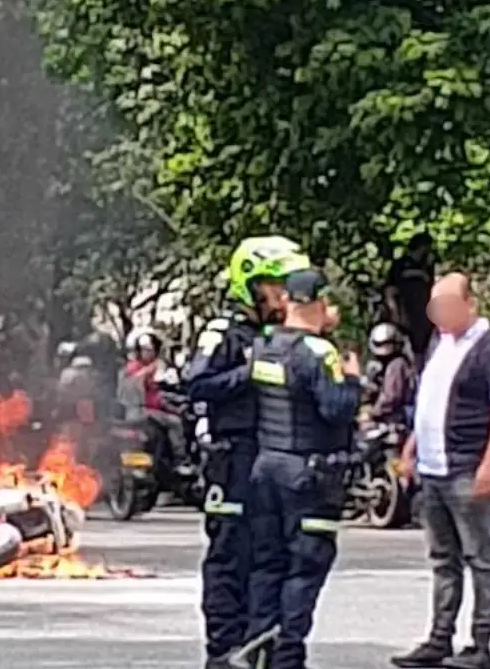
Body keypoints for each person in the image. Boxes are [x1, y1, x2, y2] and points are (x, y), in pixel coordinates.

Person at [187, 235, 309, 669]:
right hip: (234, 457)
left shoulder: (288, 337)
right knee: (228, 556)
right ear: (251, 286)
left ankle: (265, 647)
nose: (285, 295)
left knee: (275, 557)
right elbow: (197, 383)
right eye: (277, 285)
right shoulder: (225, 333)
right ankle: (222, 650)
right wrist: (250, 372)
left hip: (276, 459)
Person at [233, 269, 361, 669]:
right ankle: (288, 655)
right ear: (321, 303)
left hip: (265, 468)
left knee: (267, 563)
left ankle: (259, 645)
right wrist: (353, 380)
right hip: (308, 474)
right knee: (305, 566)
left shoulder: (264, 347)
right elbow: (336, 408)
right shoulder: (319, 352)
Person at [392, 273, 490, 669]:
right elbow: (428, 401)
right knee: (442, 557)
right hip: (433, 467)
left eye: (447, 305)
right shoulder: (439, 342)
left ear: (470, 303)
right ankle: (439, 636)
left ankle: (480, 643)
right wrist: (411, 450)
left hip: (467, 465)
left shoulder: (488, 345)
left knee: (479, 556)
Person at [124, 330, 192, 472]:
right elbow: (136, 380)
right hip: (139, 411)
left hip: (150, 410)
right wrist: (154, 367)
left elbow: (157, 396)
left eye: (151, 350)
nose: (149, 353)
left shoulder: (155, 368)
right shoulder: (134, 367)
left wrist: (176, 406)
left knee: (179, 417)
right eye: (145, 350)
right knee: (175, 423)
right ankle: (181, 461)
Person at [384, 231, 436, 359]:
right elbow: (390, 290)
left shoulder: (427, 267)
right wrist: (394, 312)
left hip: (423, 316)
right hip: (405, 312)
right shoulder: (399, 265)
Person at [366, 322, 415, 426]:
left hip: (397, 420)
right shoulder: (383, 366)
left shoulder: (396, 365)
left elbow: (390, 397)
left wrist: (372, 413)